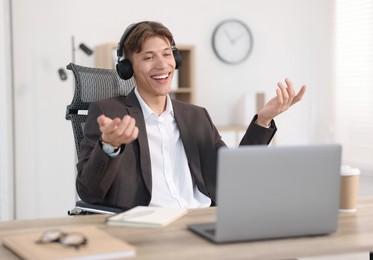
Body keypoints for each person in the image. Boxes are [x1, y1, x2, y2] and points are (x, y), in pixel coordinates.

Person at [76, 21, 306, 210]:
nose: (162, 65)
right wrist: (109, 147)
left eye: (167, 54)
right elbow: (89, 191)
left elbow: (233, 175)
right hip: (150, 229)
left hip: (204, 219)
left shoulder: (196, 116)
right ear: (127, 68)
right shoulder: (109, 113)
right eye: (148, 58)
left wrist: (263, 120)